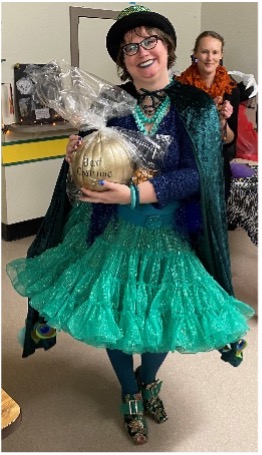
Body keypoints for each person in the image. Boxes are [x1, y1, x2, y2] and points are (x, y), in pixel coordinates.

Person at [6, 5, 255, 446]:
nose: (141, 51)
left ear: (168, 47)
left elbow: (200, 173)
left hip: (170, 235)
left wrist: (137, 192)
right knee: (115, 316)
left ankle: (149, 379)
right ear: (122, 60)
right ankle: (128, 391)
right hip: (114, 233)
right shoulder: (108, 103)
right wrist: (79, 154)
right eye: (129, 46)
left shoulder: (195, 105)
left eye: (150, 40)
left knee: (162, 318)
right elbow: (92, 165)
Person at [175, 31, 240, 202]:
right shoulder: (181, 87)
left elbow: (229, 141)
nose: (209, 57)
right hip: (186, 161)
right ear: (195, 54)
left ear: (221, 55)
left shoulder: (231, 90)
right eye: (204, 52)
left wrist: (222, 121)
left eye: (215, 52)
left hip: (216, 163)